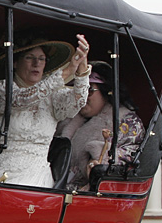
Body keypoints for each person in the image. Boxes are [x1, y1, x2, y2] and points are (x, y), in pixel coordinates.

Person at [0, 32, 90, 187]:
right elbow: (23, 99)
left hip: (39, 179)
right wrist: (67, 71)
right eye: (29, 57)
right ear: (15, 63)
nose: (36, 63)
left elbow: (76, 103)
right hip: (1, 175)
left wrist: (82, 69)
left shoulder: (53, 96)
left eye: (41, 59)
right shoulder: (1, 89)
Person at [57, 61, 145, 190]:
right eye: (78, 90)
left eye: (89, 90)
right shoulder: (67, 121)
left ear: (106, 92)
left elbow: (129, 158)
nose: (83, 96)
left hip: (93, 194)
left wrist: (98, 162)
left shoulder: (127, 122)